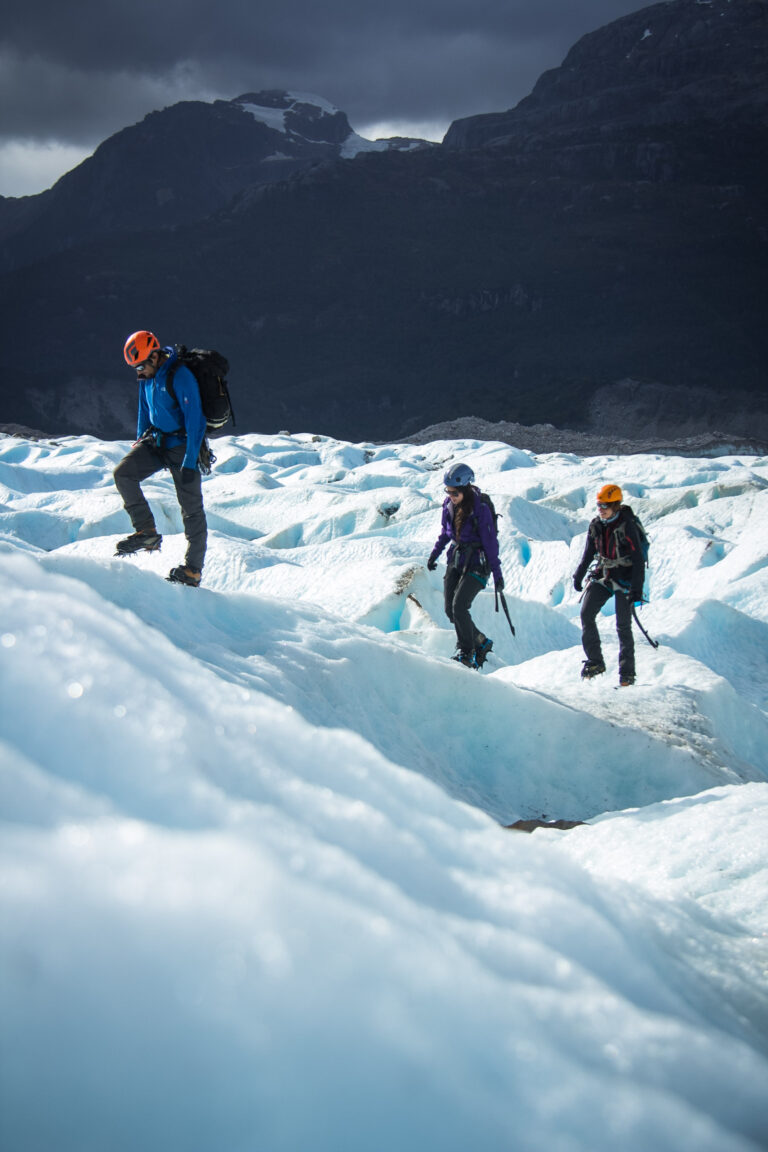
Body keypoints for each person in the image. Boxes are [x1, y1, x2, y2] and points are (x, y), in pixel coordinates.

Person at [114, 330, 208, 586]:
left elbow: (196, 421)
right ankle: (146, 532)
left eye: (141, 366)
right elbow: (144, 410)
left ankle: (193, 570)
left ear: (155, 356)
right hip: (156, 443)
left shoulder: (180, 376)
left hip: (182, 447)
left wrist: (190, 462)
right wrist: (140, 441)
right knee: (123, 474)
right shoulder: (148, 377)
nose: (138, 372)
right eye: (135, 368)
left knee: (191, 511)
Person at [427, 463, 504, 669]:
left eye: (454, 492)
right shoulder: (448, 505)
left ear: (465, 488)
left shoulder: (481, 509)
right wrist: (434, 554)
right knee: (450, 611)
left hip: (477, 563)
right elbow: (446, 533)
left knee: (460, 606)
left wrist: (497, 574)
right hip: (456, 559)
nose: (450, 495)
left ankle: (466, 652)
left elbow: (490, 543)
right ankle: (480, 641)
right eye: (448, 491)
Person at [573, 483, 645, 686]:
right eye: (599, 505)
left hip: (625, 578)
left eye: (605, 505)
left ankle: (627, 674)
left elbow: (638, 559)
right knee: (586, 614)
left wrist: (637, 588)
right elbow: (588, 553)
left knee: (623, 626)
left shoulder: (627, 525)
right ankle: (596, 661)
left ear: (615, 505)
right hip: (604, 574)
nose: (601, 509)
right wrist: (578, 575)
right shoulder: (596, 524)